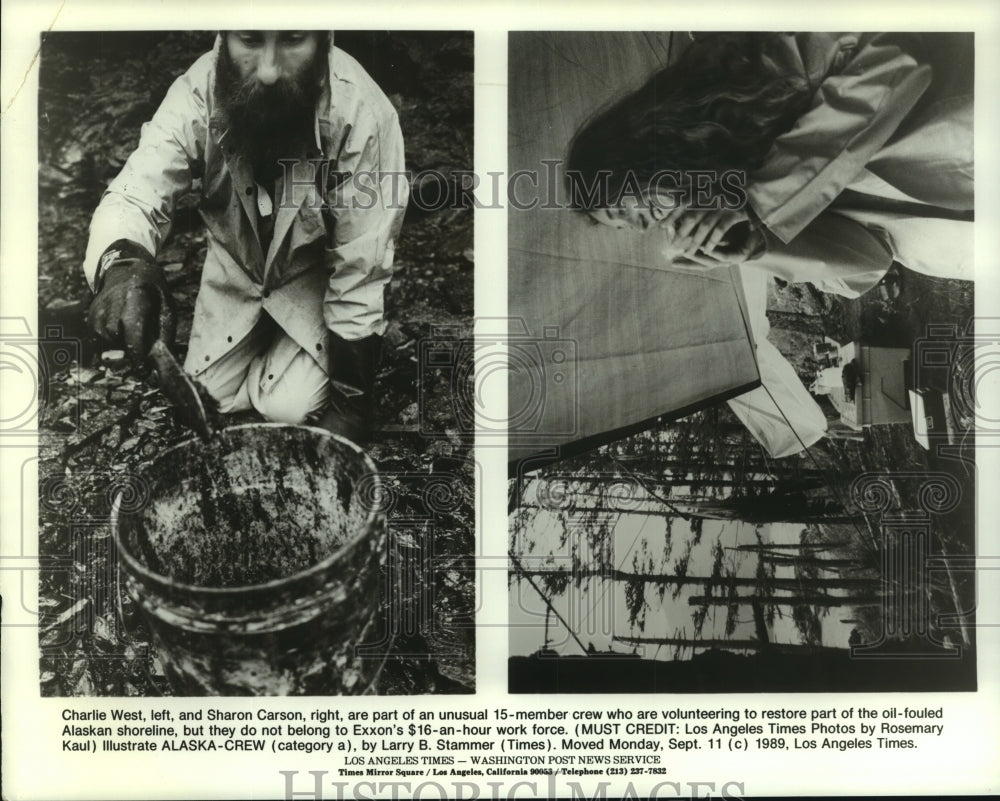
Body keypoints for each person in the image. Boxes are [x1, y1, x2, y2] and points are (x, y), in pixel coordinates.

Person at [84, 31, 408, 442]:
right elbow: (137, 191)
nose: (269, 71)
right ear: (223, 35)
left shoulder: (362, 112)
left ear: (323, 37)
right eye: (250, 40)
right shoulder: (197, 92)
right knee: (207, 399)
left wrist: (351, 401)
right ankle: (265, 353)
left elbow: (362, 263)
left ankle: (303, 357)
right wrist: (123, 261)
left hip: (315, 273)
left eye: (292, 40)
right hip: (236, 266)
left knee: (288, 408)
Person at [568, 32, 973, 298]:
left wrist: (764, 200)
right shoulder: (735, 207)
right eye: (628, 227)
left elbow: (893, 56)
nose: (643, 225)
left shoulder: (745, 68)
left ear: (635, 155)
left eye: (622, 208)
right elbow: (868, 263)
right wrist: (757, 247)